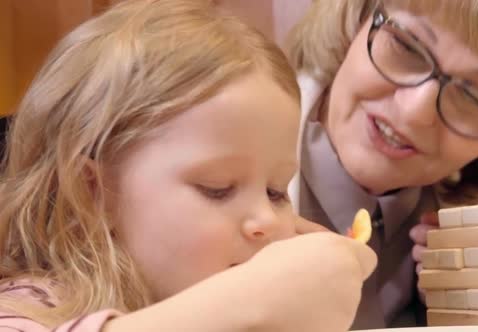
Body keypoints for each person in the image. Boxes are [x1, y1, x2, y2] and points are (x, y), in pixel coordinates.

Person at [0, 0, 377, 331]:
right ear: (92, 192)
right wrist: (246, 302)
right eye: (218, 188)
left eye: (276, 192)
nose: (267, 220)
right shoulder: (30, 305)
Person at [286, 0, 478, 328]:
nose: (416, 112)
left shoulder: (456, 250)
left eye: (475, 97)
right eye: (405, 47)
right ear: (354, 25)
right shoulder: (230, 147)